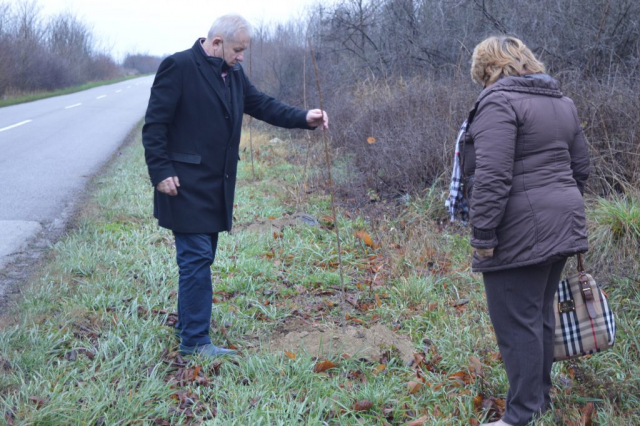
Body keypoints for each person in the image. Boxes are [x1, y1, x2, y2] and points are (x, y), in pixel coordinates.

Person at [142, 14, 328, 358]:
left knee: (201, 258)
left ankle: (187, 325)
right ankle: (195, 343)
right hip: (182, 184)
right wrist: (160, 171)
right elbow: (155, 125)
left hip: (216, 187)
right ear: (216, 43)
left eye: (244, 50)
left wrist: (304, 117)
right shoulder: (178, 66)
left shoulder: (234, 73)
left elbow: (262, 105)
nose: (242, 56)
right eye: (238, 49)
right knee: (196, 258)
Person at [462, 36, 590, 425]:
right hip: (561, 224)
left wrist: (483, 236)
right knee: (538, 316)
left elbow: (493, 176)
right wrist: (559, 208)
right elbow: (580, 166)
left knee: (516, 324)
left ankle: (519, 415)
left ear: (487, 69)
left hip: (518, 231)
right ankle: (538, 401)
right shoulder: (561, 102)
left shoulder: (498, 102)